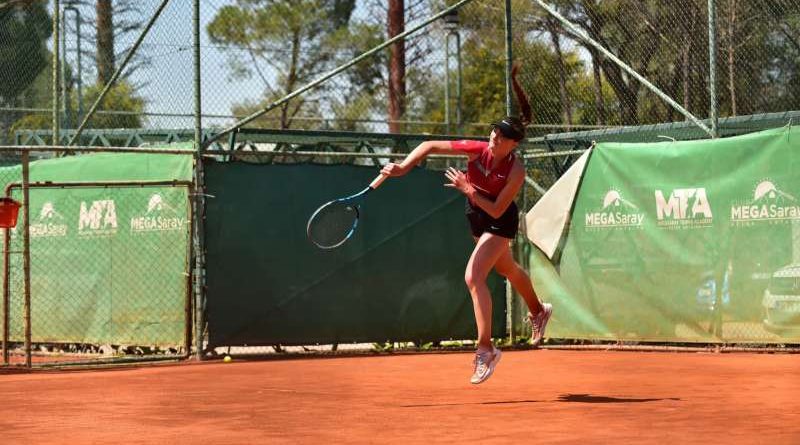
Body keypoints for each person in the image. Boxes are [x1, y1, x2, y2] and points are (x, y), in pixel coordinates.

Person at [380, 66, 552, 384]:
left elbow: (498, 209)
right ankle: (539, 310)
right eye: (494, 131)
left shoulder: (516, 171)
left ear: (513, 144)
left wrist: (468, 189)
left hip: (499, 220)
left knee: (473, 277)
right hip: (477, 216)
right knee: (507, 269)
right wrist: (403, 168)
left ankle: (486, 350)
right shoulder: (477, 150)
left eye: (502, 136)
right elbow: (430, 146)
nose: (494, 137)